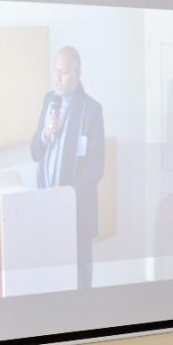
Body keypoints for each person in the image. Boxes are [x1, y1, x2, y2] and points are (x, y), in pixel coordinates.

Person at [30, 46, 105, 289]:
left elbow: (96, 168)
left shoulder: (91, 110)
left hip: (76, 211)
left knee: (79, 282)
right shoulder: (49, 100)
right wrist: (45, 133)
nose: (57, 78)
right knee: (52, 280)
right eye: (55, 71)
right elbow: (35, 152)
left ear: (78, 74)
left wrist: (66, 196)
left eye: (64, 72)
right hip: (47, 209)